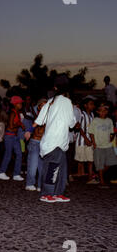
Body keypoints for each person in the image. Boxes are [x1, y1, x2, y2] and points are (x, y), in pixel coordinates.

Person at [30, 74, 76, 203]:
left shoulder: (50, 102)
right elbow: (71, 123)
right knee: (53, 168)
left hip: (53, 142)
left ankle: (57, 193)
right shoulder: (67, 102)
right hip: (57, 141)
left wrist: (29, 131)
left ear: (55, 87)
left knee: (60, 168)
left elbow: (39, 120)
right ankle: (47, 193)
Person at [0, 96, 25, 181]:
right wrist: (19, 124)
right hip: (9, 136)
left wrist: (19, 124)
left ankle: (16, 174)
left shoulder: (17, 112)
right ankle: (1, 172)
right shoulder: (13, 113)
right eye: (20, 103)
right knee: (8, 154)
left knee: (19, 154)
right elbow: (11, 126)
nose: (21, 105)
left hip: (15, 136)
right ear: (16, 104)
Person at [88, 104, 117, 188]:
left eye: (105, 110)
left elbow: (112, 132)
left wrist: (111, 139)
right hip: (99, 145)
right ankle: (102, 181)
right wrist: (94, 143)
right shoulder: (95, 120)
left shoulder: (109, 121)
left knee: (111, 162)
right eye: (101, 110)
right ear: (98, 112)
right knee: (100, 164)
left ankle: (98, 174)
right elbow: (91, 132)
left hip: (108, 145)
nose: (103, 112)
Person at [25, 98, 47, 191]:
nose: (44, 107)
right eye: (42, 105)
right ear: (38, 107)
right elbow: (37, 130)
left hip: (43, 144)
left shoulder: (49, 117)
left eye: (46, 105)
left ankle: (40, 185)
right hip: (34, 142)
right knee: (33, 166)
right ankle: (30, 183)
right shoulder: (37, 117)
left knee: (42, 167)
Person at [75, 97, 96, 184]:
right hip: (81, 141)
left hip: (90, 141)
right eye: (91, 104)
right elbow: (78, 127)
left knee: (90, 160)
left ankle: (90, 178)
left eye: (93, 104)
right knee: (80, 160)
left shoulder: (92, 115)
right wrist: (86, 138)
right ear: (85, 105)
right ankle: (80, 177)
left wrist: (93, 140)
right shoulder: (82, 115)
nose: (93, 106)